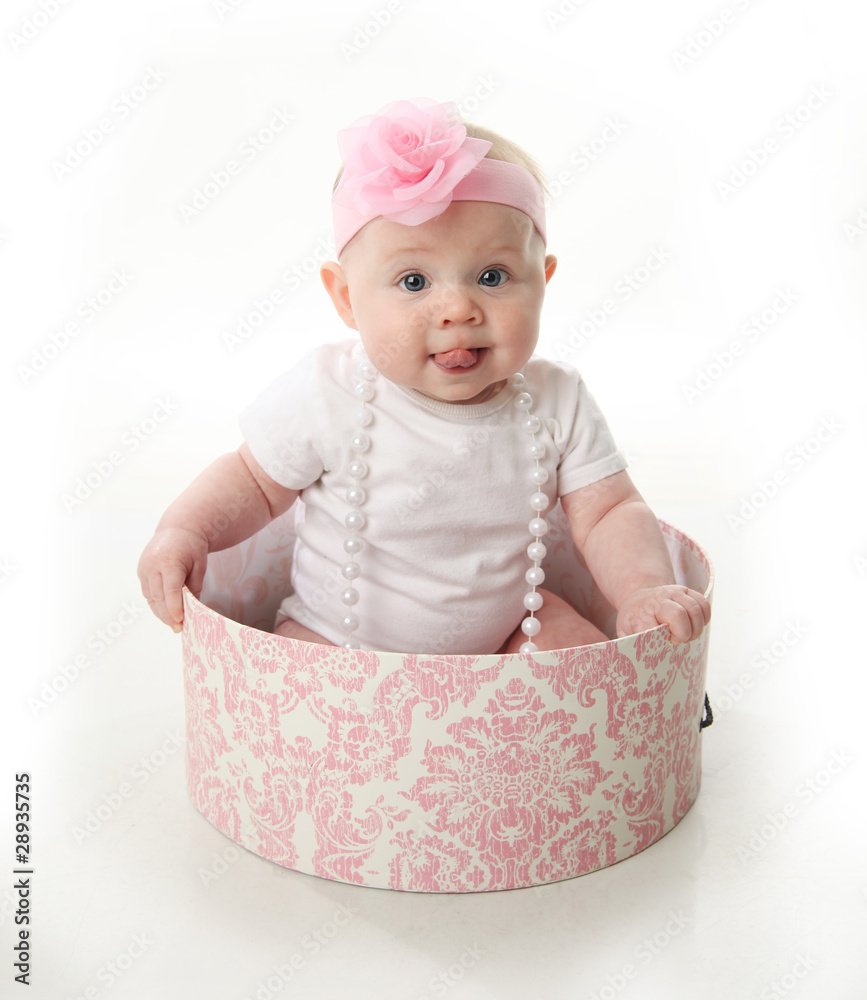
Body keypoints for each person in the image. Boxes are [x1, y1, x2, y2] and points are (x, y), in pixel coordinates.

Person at [138, 97, 710, 655]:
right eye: (414, 281)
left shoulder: (557, 400)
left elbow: (609, 511)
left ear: (544, 281)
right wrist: (184, 533)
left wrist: (642, 589)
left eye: (493, 276)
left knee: (578, 653)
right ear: (347, 299)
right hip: (337, 640)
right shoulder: (328, 392)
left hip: (511, 632)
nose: (458, 309)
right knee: (291, 669)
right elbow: (251, 481)